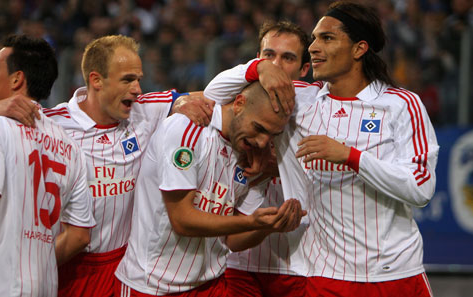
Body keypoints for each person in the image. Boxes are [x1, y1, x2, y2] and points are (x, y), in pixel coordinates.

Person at [205, 2, 439, 296]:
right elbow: (215, 93)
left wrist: (350, 157)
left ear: (359, 49)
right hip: (326, 276)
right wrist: (260, 67)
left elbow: (420, 188)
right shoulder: (299, 101)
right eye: (314, 38)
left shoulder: (401, 105)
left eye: (326, 38)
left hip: (394, 271)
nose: (313, 47)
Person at [0, 34, 214, 297]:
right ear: (96, 80)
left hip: (128, 267)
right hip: (69, 265)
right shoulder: (50, 124)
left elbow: (209, 98)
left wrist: (183, 101)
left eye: (138, 79)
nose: (137, 89)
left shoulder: (145, 110)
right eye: (127, 79)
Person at [114, 80, 304, 296]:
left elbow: (233, 240)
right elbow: (182, 220)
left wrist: (268, 226)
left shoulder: (253, 159)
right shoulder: (187, 129)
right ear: (239, 103)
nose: (262, 142)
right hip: (153, 284)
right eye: (258, 128)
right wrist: (252, 221)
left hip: (212, 284)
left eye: (271, 135)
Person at [0, 34, 95, 297]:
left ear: (16, 79)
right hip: (44, 286)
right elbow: (79, 236)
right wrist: (35, 264)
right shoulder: (70, 146)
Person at [223, 20, 314, 297]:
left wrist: (274, 167)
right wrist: (181, 101)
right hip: (237, 265)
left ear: (304, 69)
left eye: (288, 58)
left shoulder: (319, 107)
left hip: (298, 264)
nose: (276, 65)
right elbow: (208, 95)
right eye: (268, 56)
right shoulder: (233, 97)